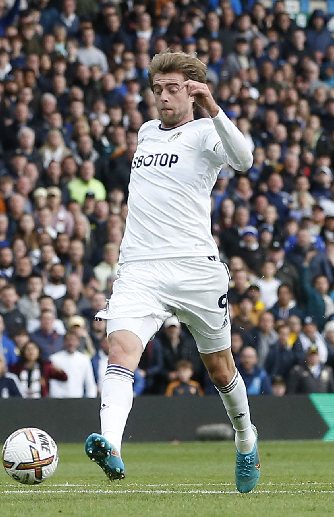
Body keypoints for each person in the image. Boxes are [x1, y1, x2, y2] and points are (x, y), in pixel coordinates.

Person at [87, 50, 260, 493]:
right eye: (158, 89)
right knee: (121, 350)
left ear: (192, 90)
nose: (163, 97)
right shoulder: (146, 133)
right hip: (139, 267)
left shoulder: (206, 132)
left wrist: (214, 106)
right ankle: (111, 446)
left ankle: (245, 439)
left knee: (220, 370)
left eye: (173, 89)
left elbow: (244, 160)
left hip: (195, 269)